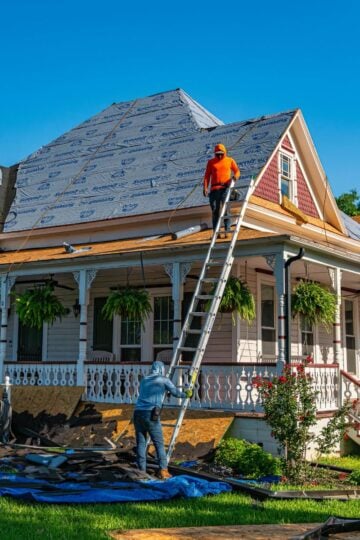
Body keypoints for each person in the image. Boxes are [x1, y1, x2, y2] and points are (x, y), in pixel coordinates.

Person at [133, 360, 192, 479]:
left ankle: (141, 471)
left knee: (141, 443)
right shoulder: (164, 380)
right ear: (161, 369)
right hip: (151, 413)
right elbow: (175, 393)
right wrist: (186, 394)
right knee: (159, 444)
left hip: (137, 412)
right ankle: (163, 471)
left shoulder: (144, 380)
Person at [203, 143, 240, 237]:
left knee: (225, 209)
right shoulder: (211, 162)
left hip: (225, 189)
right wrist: (205, 187)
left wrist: (234, 178)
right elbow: (207, 176)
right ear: (215, 153)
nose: (219, 155)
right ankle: (216, 232)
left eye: (221, 153)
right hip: (214, 190)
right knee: (215, 211)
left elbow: (237, 171)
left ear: (224, 152)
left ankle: (227, 230)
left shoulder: (229, 160)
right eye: (217, 154)